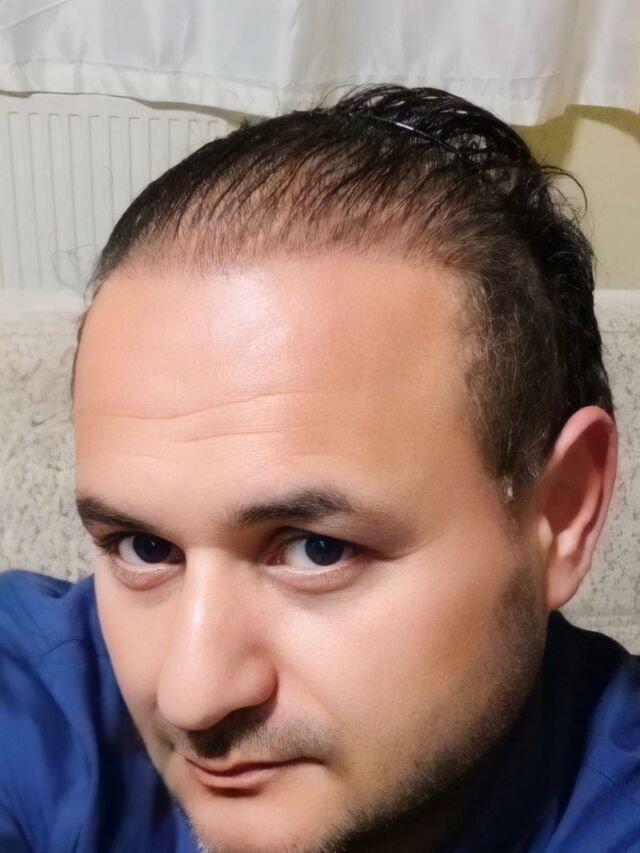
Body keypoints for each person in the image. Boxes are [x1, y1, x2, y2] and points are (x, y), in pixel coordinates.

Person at [0, 84, 636, 853]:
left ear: (562, 511)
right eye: (145, 547)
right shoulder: (40, 696)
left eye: (316, 548)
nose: (191, 695)